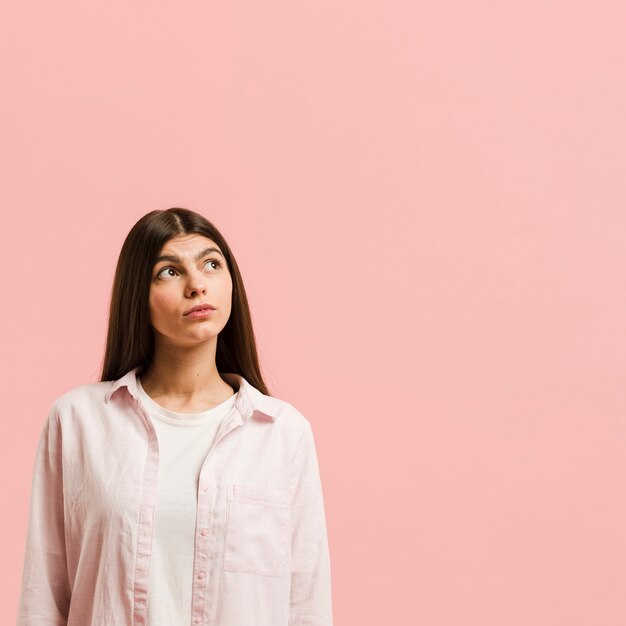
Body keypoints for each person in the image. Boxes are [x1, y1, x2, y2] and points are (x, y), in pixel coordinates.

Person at [16, 207, 333, 626]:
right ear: (138, 296)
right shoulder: (78, 422)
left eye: (211, 264)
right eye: (169, 272)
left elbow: (306, 605)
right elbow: (44, 599)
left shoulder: (282, 432)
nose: (197, 285)